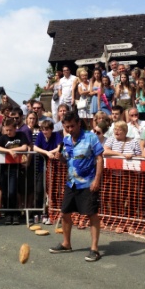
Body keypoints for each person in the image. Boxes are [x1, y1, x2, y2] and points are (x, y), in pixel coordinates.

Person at [49, 111, 103, 262]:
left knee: (91, 214)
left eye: (72, 126)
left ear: (79, 123)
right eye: (67, 127)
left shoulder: (91, 137)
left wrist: (97, 180)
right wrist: (60, 159)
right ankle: (66, 243)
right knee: (65, 212)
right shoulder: (66, 140)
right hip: (71, 182)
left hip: (88, 182)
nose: (70, 129)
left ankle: (94, 249)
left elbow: (99, 159)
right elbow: (67, 160)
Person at [0, 118, 29, 225]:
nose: (8, 132)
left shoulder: (21, 135)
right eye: (6, 130)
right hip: (4, 168)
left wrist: (14, 150)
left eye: (10, 130)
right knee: (6, 192)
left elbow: (24, 147)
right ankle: (8, 214)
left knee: (13, 191)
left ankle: (15, 213)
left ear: (15, 128)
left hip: (15, 169)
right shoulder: (3, 138)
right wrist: (9, 151)